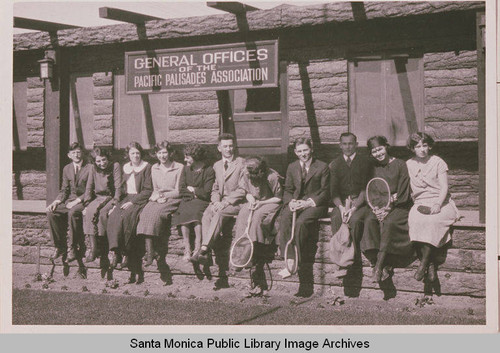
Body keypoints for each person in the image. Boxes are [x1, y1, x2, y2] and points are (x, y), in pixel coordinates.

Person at [190, 133, 245, 290]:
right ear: (219, 148)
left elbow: (243, 189)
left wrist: (226, 202)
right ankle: (205, 255)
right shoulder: (217, 165)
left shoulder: (241, 163)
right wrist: (215, 202)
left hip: (235, 203)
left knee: (219, 214)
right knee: (207, 213)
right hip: (219, 202)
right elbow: (214, 187)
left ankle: (205, 248)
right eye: (225, 146)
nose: (228, 149)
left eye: (230, 146)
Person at [278, 137, 330, 298]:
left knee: (300, 223)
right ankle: (288, 258)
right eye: (299, 151)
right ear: (295, 153)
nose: (303, 154)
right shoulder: (292, 167)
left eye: (305, 150)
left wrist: (308, 203)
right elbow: (287, 189)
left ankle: (296, 262)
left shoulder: (322, 166)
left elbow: (325, 191)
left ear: (311, 149)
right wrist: (290, 201)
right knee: (285, 217)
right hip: (297, 203)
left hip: (315, 205)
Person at [406, 132, 460, 282]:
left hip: (442, 202)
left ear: (429, 146)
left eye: (424, 145)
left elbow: (444, 187)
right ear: (412, 149)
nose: (422, 149)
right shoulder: (409, 164)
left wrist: (438, 203)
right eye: (417, 146)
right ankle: (430, 265)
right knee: (416, 221)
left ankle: (423, 264)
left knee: (432, 222)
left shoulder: (438, 162)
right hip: (420, 203)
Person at [361, 136, 413, 283]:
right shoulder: (372, 167)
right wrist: (378, 208)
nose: (378, 153)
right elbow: (370, 191)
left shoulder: (400, 164)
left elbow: (403, 192)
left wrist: (389, 206)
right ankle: (378, 262)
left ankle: (379, 265)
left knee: (389, 223)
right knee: (370, 220)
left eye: (380, 149)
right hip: (378, 206)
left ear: (386, 147)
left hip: (399, 206)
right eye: (374, 151)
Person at [234, 156, 282, 296]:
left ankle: (253, 255)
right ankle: (240, 254)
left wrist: (260, 203)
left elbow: (278, 198)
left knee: (256, 220)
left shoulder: (272, 176)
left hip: (270, 203)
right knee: (243, 215)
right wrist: (251, 199)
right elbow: (246, 191)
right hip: (255, 202)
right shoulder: (245, 173)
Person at [106, 142, 152, 284]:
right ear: (129, 155)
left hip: (139, 199)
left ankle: (125, 252)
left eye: (137, 153)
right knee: (114, 216)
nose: (135, 155)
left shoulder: (146, 167)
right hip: (126, 198)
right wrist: (115, 204)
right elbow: (120, 187)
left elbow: (148, 190)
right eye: (132, 153)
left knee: (127, 217)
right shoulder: (125, 167)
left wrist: (133, 202)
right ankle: (114, 251)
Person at [329, 132, 372, 276]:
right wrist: (341, 208)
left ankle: (352, 260)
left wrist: (354, 208)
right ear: (340, 145)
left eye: (351, 143)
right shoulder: (335, 164)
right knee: (336, 218)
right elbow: (333, 192)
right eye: (345, 144)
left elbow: (365, 189)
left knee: (354, 220)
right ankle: (340, 261)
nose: (348, 147)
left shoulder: (365, 162)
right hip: (341, 203)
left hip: (359, 202)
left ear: (356, 145)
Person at [136, 141, 183, 270]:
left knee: (156, 215)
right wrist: (156, 197)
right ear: (156, 154)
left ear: (170, 153)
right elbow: (155, 188)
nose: (163, 156)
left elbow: (178, 191)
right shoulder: (154, 168)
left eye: (165, 152)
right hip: (158, 198)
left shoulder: (179, 167)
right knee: (145, 213)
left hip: (172, 199)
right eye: (160, 153)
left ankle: (153, 252)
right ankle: (150, 250)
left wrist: (164, 196)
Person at [46, 142, 90, 277]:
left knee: (72, 213)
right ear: (69, 155)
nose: (76, 155)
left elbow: (90, 190)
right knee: (52, 212)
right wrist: (57, 201)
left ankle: (73, 247)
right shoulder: (67, 169)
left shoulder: (90, 168)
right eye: (73, 153)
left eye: (78, 152)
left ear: (82, 153)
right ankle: (59, 246)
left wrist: (77, 201)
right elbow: (64, 190)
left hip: (84, 200)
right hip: (69, 200)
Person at [172, 144, 215, 266]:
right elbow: (181, 188)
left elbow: (207, 192)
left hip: (202, 201)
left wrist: (194, 190)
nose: (185, 160)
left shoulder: (208, 170)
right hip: (188, 199)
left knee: (196, 214)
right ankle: (187, 249)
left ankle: (198, 249)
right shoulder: (186, 169)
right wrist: (193, 194)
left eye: (188, 157)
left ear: (195, 157)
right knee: (184, 211)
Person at [82, 147, 121, 278]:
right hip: (98, 197)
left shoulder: (115, 166)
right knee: (89, 213)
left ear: (108, 158)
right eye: (98, 161)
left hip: (110, 197)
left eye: (104, 160)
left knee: (103, 215)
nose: (102, 163)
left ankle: (108, 248)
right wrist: (87, 203)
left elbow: (118, 186)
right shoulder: (93, 168)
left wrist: (116, 201)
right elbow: (89, 185)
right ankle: (93, 248)